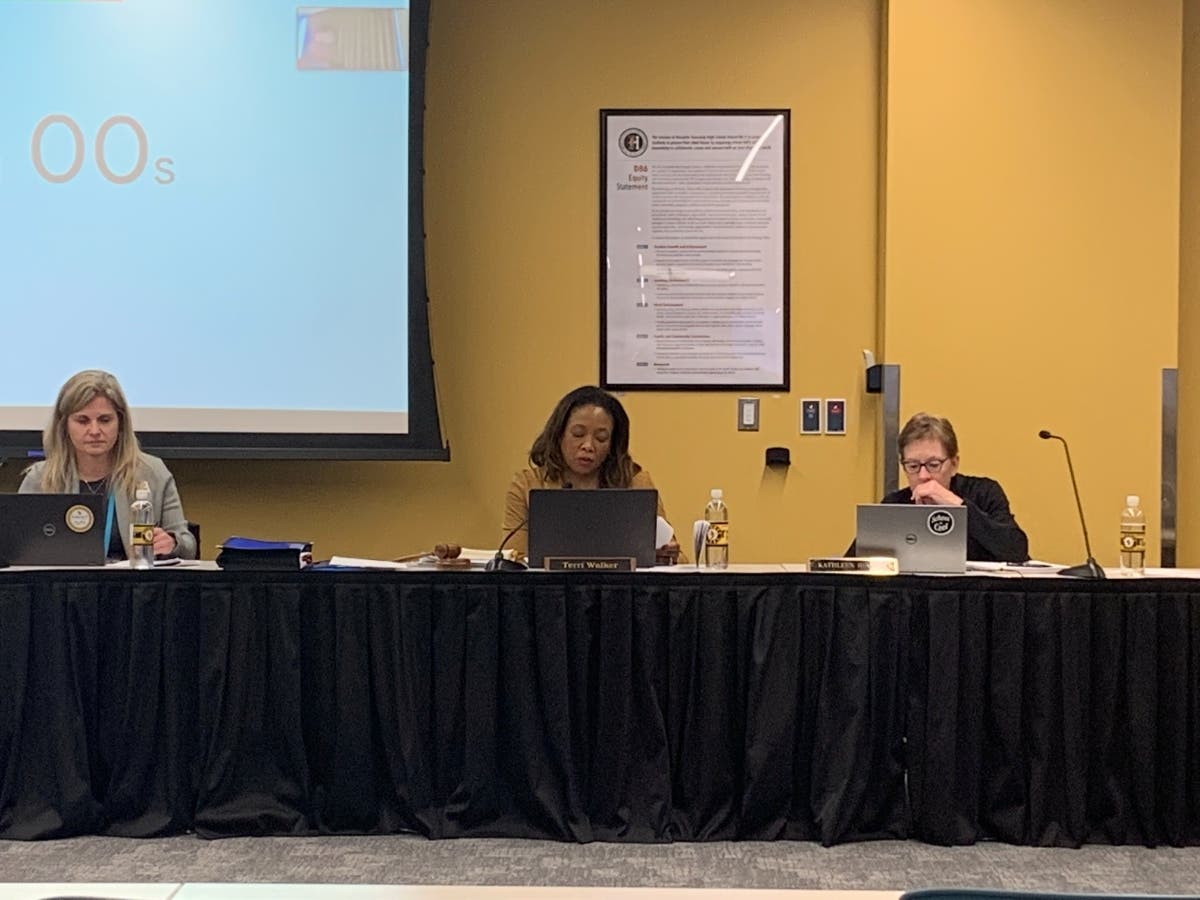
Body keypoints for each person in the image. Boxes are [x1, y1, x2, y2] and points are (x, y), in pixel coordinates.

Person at [19, 370, 197, 561]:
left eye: (105, 420)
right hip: (62, 587)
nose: (95, 431)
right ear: (64, 425)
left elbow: (188, 545)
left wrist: (172, 542)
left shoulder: (152, 472)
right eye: (82, 420)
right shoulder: (40, 478)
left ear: (120, 423)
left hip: (131, 587)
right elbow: (14, 544)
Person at [501, 385, 681, 562]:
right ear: (558, 434)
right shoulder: (527, 484)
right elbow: (514, 559)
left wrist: (667, 554)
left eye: (601, 438)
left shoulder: (634, 481)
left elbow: (678, 559)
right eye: (578, 434)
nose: (588, 445)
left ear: (613, 444)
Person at [851, 412, 1028, 562]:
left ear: (954, 464)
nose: (923, 476)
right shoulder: (894, 504)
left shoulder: (985, 492)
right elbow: (852, 564)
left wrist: (958, 506)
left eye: (933, 465)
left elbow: (1016, 551)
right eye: (912, 466)